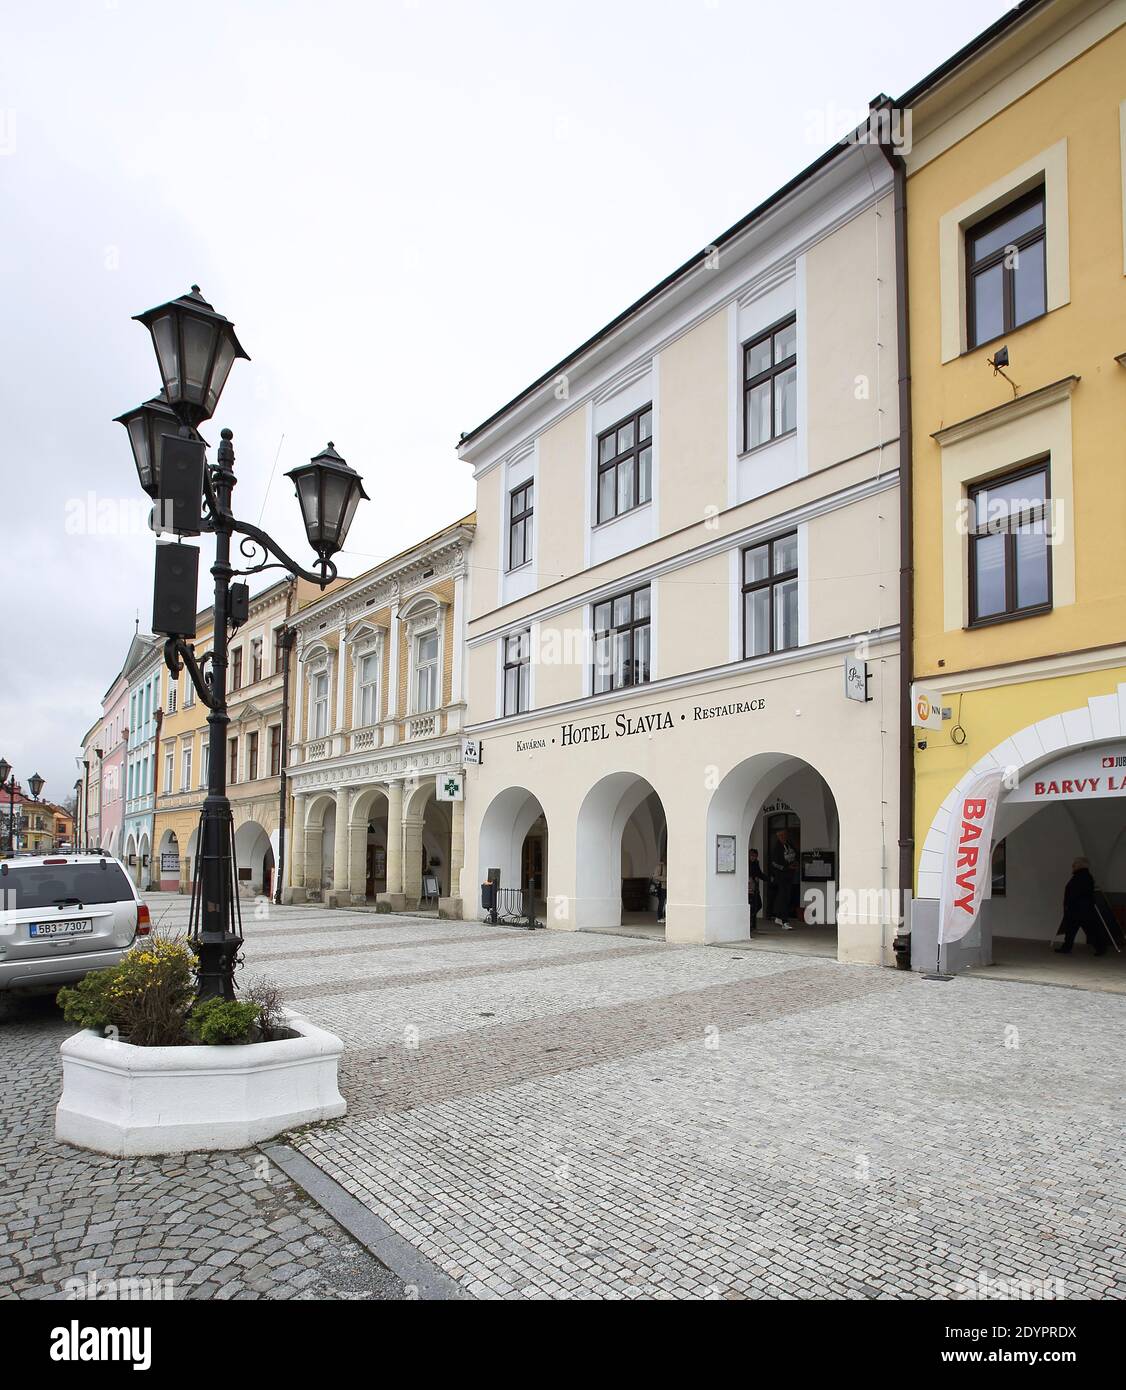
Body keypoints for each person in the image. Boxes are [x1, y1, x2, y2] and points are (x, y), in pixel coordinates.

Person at [1054, 858, 1106, 955]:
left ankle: (1100, 948)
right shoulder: (1084, 876)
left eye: (1074, 864)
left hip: (1079, 909)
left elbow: (1076, 893)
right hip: (1081, 908)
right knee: (1073, 930)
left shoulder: (1081, 877)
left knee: (1087, 930)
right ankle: (1067, 948)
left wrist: (1069, 905)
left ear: (1079, 865)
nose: (1073, 866)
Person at [769, 829, 798, 930]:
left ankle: (778, 917)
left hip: (789, 876)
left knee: (786, 897)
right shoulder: (776, 848)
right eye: (781, 835)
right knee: (783, 898)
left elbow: (795, 855)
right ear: (778, 836)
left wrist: (795, 864)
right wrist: (786, 868)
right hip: (781, 877)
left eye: (785, 835)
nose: (784, 837)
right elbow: (774, 863)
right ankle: (784, 921)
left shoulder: (789, 845)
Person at [748, 848, 764, 933]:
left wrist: (768, 879)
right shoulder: (747, 863)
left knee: (758, 905)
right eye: (752, 856)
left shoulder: (756, 863)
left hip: (755, 888)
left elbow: (759, 873)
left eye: (755, 856)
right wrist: (754, 878)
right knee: (753, 906)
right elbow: (749, 873)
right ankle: (751, 924)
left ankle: (751, 923)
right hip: (749, 888)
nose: (753, 857)